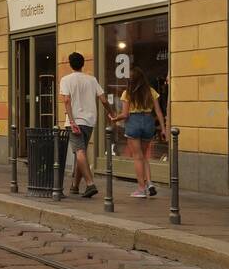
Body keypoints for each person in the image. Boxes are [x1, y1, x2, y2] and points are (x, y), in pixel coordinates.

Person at [59, 52, 118, 198]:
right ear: (83, 64)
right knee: (82, 152)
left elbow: (66, 101)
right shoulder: (92, 80)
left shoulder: (66, 80)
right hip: (90, 120)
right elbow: (104, 100)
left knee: (79, 152)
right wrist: (111, 113)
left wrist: (71, 121)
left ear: (70, 64)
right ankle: (75, 186)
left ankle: (90, 184)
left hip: (75, 121)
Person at [118, 66, 168, 198]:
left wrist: (114, 118)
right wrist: (163, 129)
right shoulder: (151, 91)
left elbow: (124, 114)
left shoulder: (127, 93)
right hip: (148, 122)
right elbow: (158, 111)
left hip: (134, 122)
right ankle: (150, 183)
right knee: (145, 156)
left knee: (137, 157)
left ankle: (141, 189)